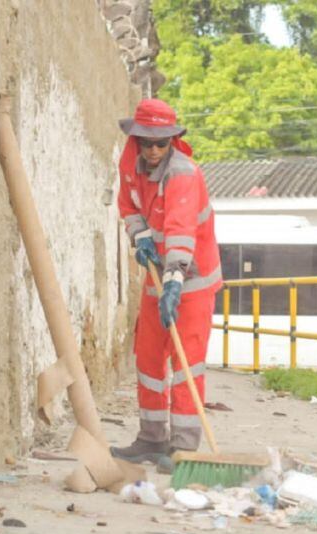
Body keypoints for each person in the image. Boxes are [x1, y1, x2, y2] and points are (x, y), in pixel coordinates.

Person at [110, 99, 222, 474]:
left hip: (192, 277)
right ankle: (152, 438)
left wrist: (174, 280)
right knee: (148, 358)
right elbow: (128, 206)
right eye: (147, 142)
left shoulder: (183, 174)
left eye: (161, 143)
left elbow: (180, 230)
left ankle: (183, 447)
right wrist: (139, 236)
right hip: (157, 273)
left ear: (172, 140)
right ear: (137, 140)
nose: (154, 150)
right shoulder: (131, 163)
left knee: (186, 361)